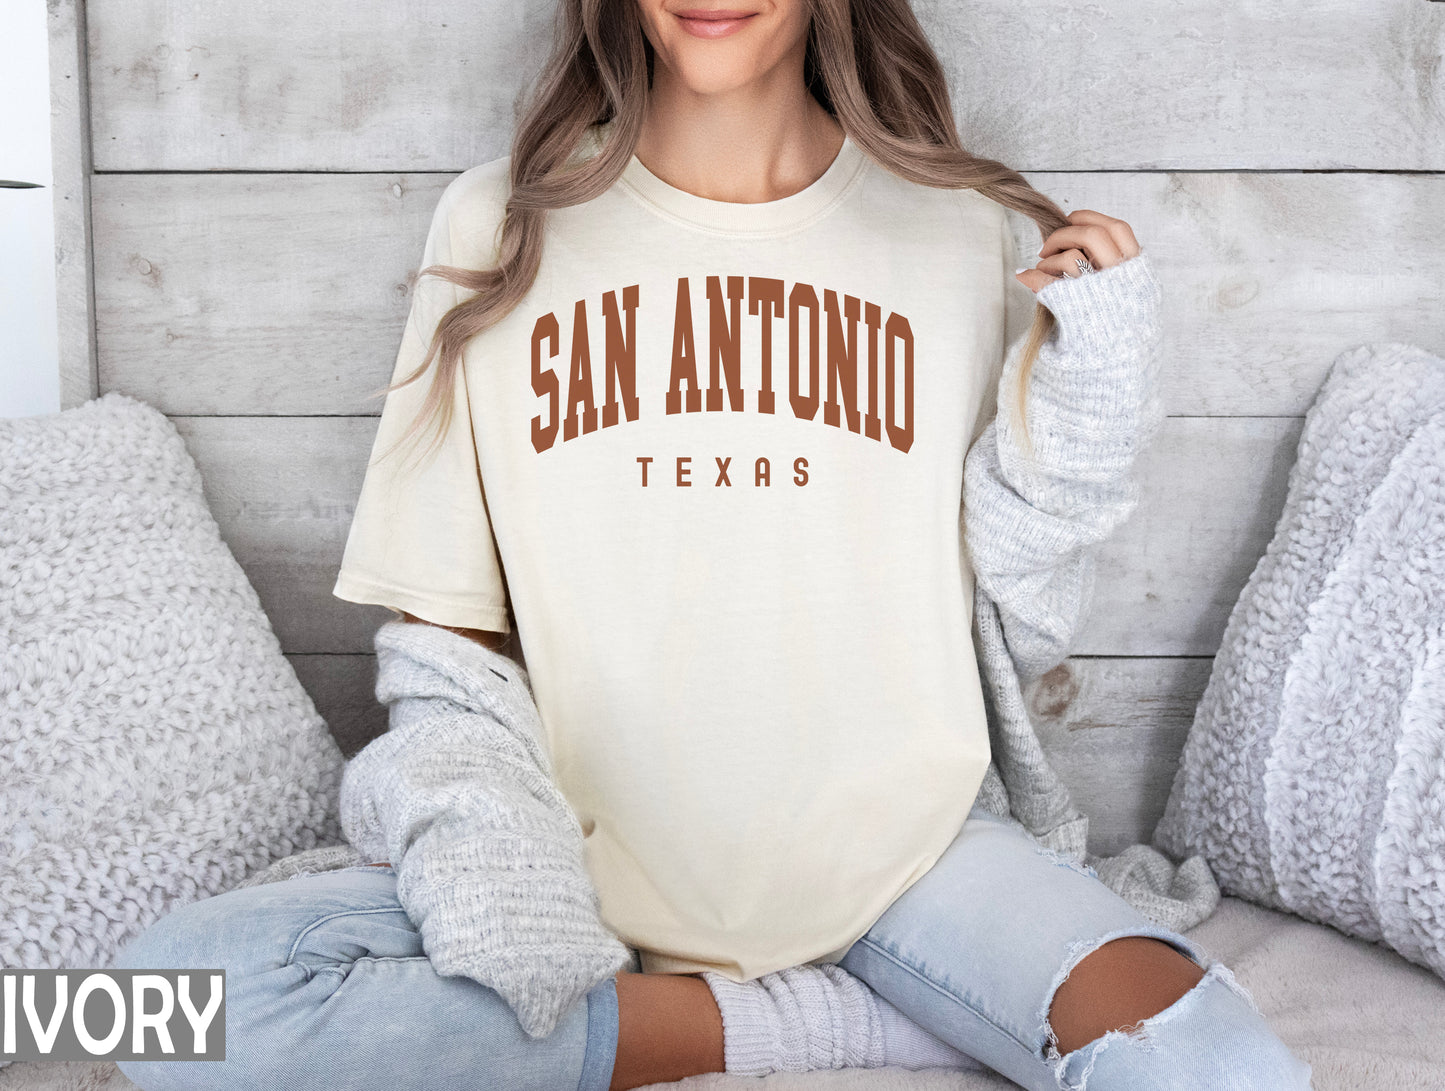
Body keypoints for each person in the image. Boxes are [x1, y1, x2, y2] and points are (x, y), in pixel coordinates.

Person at [113, 1, 1315, 1089]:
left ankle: (822, 997)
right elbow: (444, 631)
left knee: (1221, 1066)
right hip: (578, 866)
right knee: (134, 1014)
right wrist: (493, 871)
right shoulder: (499, 223)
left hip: (909, 862)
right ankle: (824, 1019)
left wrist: (1094, 405)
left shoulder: (967, 229)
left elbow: (1020, 586)